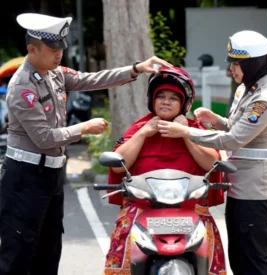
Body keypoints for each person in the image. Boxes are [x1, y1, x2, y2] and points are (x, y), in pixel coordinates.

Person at [0, 13, 172, 275]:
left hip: (52, 175)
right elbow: (44, 137)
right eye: (52, 49)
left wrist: (135, 68)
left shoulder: (54, 73)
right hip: (25, 178)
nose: (59, 55)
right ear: (32, 49)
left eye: (60, 48)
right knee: (18, 252)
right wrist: (83, 128)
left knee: (49, 249)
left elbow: (91, 79)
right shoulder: (21, 87)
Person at [157, 30, 267, 275]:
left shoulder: (264, 100)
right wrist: (215, 120)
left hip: (258, 190)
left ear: (253, 64)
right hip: (241, 187)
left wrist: (186, 133)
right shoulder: (246, 90)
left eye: (237, 63)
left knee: (255, 260)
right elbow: (239, 128)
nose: (231, 70)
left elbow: (235, 139)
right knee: (239, 257)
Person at [104, 67, 227, 275]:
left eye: (173, 98)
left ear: (183, 104)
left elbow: (212, 163)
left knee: (208, 237)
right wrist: (143, 133)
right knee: (124, 231)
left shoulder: (194, 128)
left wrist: (186, 135)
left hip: (190, 206)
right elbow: (118, 164)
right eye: (160, 96)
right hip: (143, 206)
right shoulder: (140, 127)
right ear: (152, 100)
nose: (166, 102)